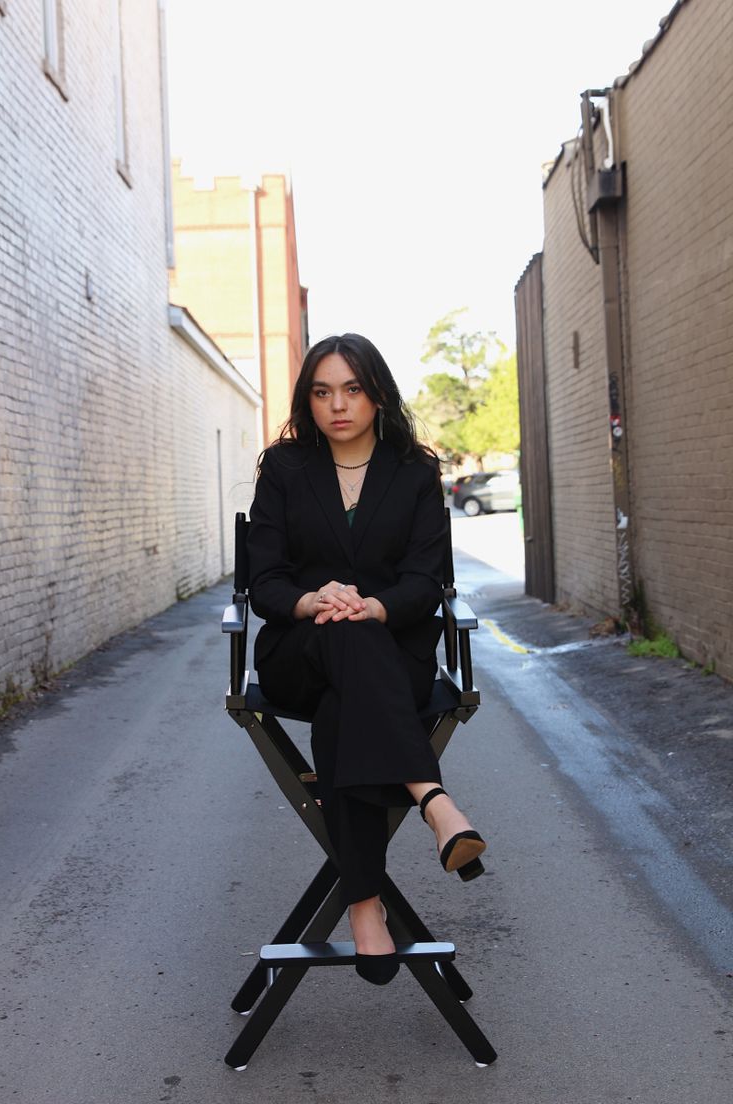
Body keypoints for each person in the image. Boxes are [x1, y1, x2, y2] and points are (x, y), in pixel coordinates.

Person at [247, 333, 486, 986]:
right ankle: (433, 798)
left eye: (352, 389)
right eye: (322, 392)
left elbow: (423, 581)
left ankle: (363, 906)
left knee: (343, 706)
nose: (338, 405)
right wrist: (311, 599)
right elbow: (263, 580)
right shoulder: (286, 470)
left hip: (392, 652)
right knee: (337, 635)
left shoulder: (414, 472)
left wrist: (374, 609)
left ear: (377, 394)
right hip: (299, 649)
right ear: (308, 400)